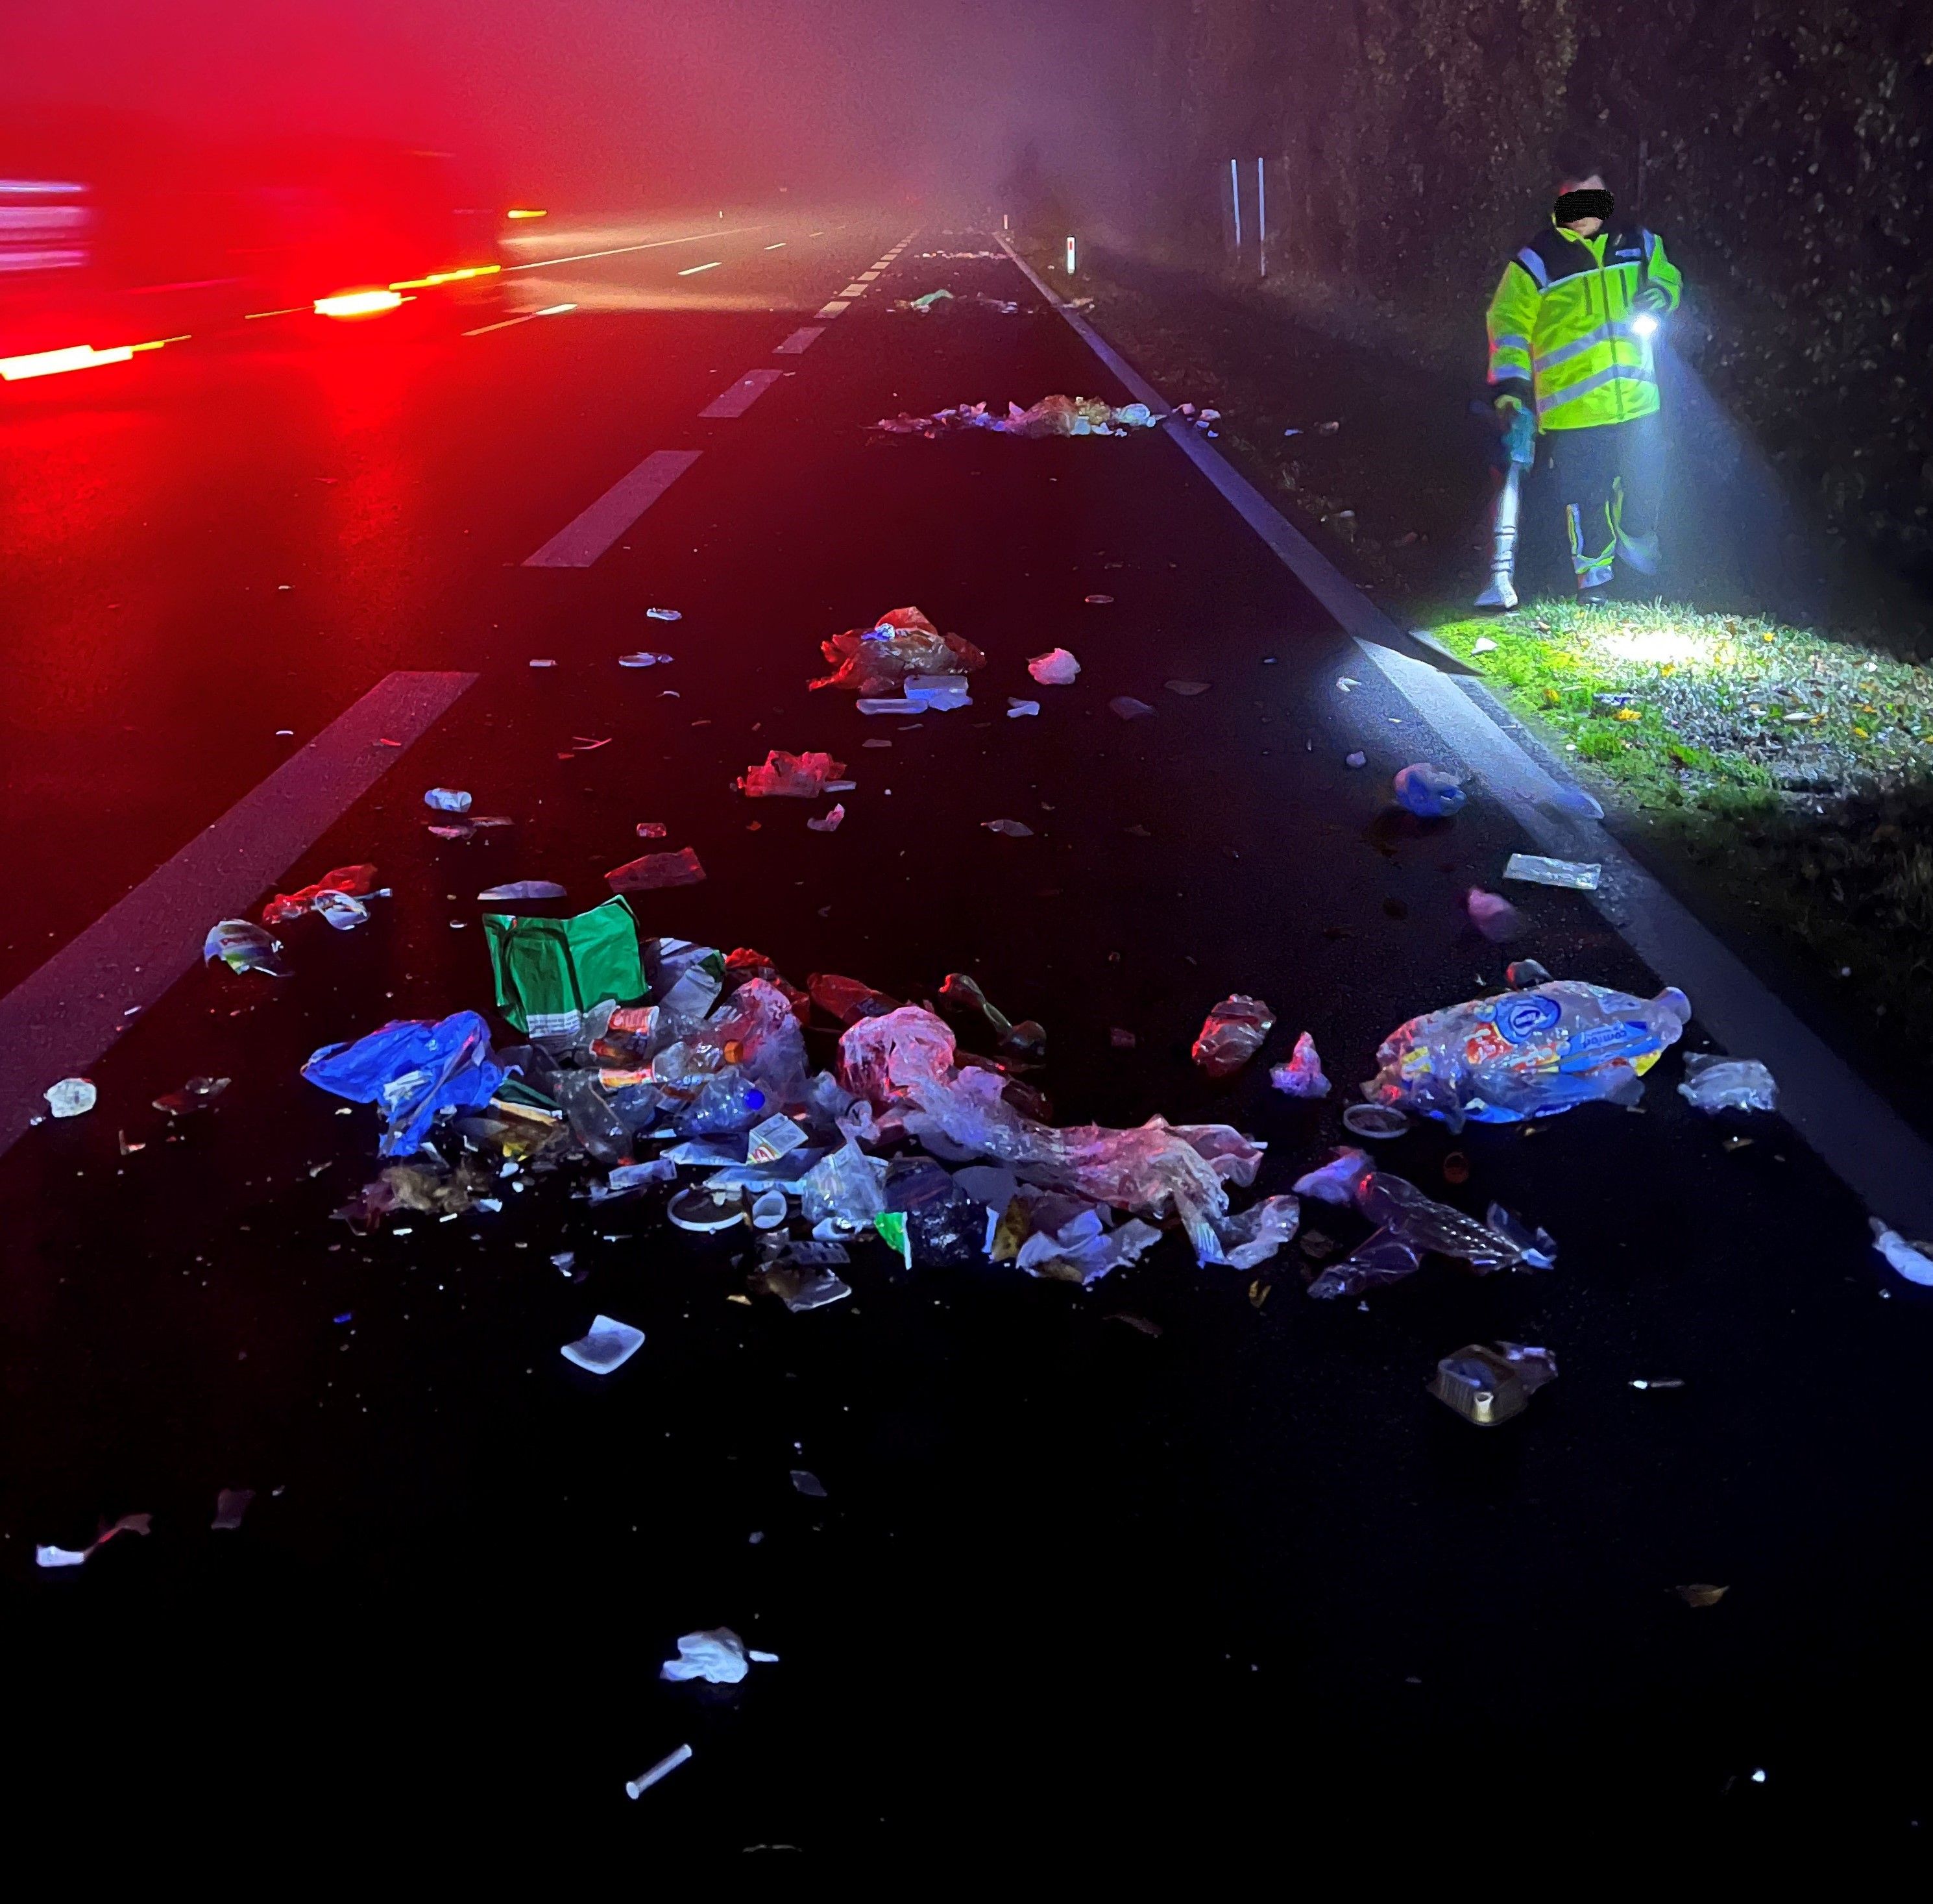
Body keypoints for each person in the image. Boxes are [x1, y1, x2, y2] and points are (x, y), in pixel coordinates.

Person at [1485, 155, 1683, 604]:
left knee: (1645, 481)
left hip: (1636, 399)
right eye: (1571, 198)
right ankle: (1594, 582)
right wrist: (1510, 390)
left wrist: (1662, 294)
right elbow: (1508, 325)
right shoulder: (1536, 261)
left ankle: (1636, 541)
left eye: (1591, 196)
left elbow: (1667, 279)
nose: (1582, 208)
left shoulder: (1639, 243)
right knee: (1586, 496)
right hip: (1572, 409)